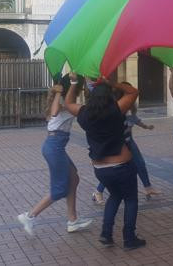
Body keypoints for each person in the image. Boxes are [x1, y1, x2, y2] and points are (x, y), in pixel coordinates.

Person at [65, 74, 146, 250]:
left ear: (92, 97)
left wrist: (73, 82)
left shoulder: (84, 113)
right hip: (122, 164)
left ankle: (106, 234)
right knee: (131, 199)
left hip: (101, 168)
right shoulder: (117, 109)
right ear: (110, 95)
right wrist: (111, 82)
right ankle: (129, 238)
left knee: (115, 196)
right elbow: (133, 92)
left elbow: (68, 103)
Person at [17, 76, 93, 236]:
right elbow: (55, 111)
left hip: (55, 146)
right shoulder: (64, 101)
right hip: (54, 147)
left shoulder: (65, 100)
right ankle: (29, 216)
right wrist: (68, 86)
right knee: (59, 189)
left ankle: (73, 220)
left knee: (74, 179)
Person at [92, 83, 159, 205]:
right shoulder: (116, 109)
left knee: (140, 164)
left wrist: (147, 127)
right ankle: (98, 191)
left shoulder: (129, 110)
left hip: (129, 142)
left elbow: (135, 120)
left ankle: (148, 188)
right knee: (114, 168)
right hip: (119, 144)